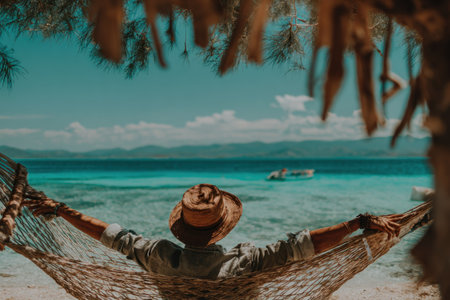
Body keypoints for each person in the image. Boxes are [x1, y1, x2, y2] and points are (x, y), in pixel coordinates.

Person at [14, 183, 401, 279]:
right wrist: (358, 223)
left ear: (181, 228)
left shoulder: (159, 255)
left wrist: (60, 210)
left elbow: (110, 234)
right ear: (222, 225)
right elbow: (302, 245)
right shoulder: (247, 262)